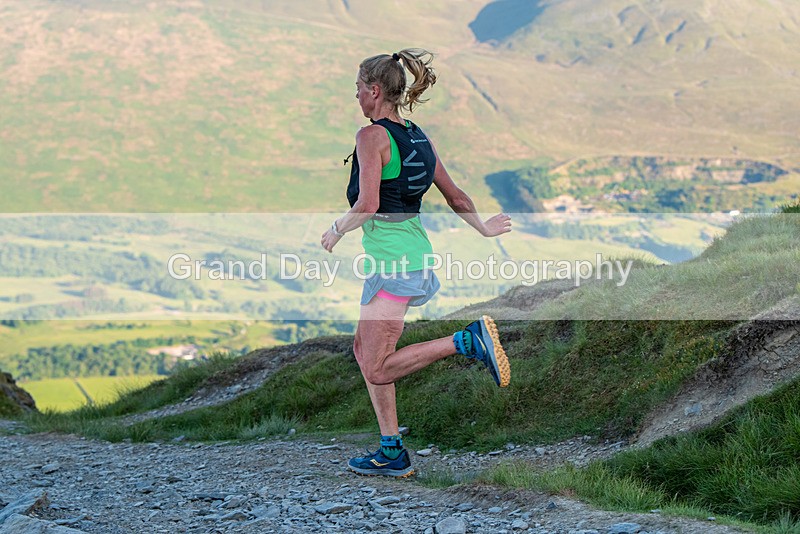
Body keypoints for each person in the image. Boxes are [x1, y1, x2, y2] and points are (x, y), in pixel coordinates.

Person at [320, 48, 512, 478]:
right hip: (410, 259)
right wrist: (483, 228)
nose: (355, 97)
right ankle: (391, 451)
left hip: (394, 265)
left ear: (374, 90)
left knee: (376, 364)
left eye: (357, 89)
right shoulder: (419, 137)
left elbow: (368, 204)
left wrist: (337, 228)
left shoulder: (371, 137)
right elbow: (457, 196)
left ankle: (465, 341)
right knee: (363, 351)